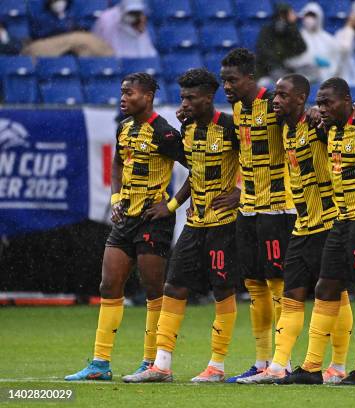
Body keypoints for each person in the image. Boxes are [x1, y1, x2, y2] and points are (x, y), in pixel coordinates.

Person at [120, 68, 241, 383]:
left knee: (222, 289)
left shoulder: (229, 127)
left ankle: (217, 365)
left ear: (208, 98)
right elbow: (194, 174)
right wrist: (173, 204)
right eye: (182, 97)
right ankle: (161, 365)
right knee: (173, 287)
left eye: (191, 97)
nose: (184, 103)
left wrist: (240, 193)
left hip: (224, 224)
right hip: (194, 221)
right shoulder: (185, 130)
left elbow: (253, 161)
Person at [65, 73, 185, 381]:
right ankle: (100, 363)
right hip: (125, 218)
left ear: (147, 97)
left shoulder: (165, 133)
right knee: (109, 285)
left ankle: (151, 361)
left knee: (153, 290)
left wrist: (170, 205)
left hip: (152, 220)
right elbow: (118, 163)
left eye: (128, 93)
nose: (122, 98)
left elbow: (201, 169)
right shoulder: (125, 128)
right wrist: (116, 196)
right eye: (121, 92)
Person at [237, 74, 352, 384]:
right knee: (292, 294)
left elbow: (348, 126)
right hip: (302, 225)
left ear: (301, 99)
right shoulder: (286, 129)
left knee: (333, 293)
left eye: (283, 95)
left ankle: (338, 366)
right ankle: (278, 366)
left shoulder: (318, 126)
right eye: (275, 94)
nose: (276, 100)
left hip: (328, 223)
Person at [281, 77, 355, 386]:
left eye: (328, 102)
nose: (322, 108)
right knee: (326, 287)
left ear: (347, 102)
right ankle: (312, 367)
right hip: (341, 222)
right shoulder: (327, 130)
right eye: (320, 102)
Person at [219, 48, 296, 383]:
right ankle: (262, 360)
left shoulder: (276, 105)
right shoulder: (237, 108)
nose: (226, 86)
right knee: (253, 285)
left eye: (232, 80)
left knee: (278, 284)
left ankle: (284, 361)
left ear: (250, 77)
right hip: (248, 207)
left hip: (278, 207)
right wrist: (239, 189)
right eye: (223, 80)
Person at [23, 0, 113, 57]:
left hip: (80, 40)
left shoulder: (79, 4)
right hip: (47, 42)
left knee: (91, 44)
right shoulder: (34, 4)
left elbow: (82, 25)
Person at [284, 2, 339, 83]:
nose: (309, 19)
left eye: (313, 16)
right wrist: (310, 61)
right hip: (301, 82)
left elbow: (336, 62)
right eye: (307, 16)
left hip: (325, 82)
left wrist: (329, 66)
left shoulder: (328, 39)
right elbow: (288, 61)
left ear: (319, 18)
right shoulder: (296, 38)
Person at [255, 3, 307, 85]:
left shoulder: (291, 30)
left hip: (289, 66)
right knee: (284, 81)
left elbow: (302, 48)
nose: (281, 20)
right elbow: (264, 52)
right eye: (280, 16)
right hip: (269, 69)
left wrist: (292, 26)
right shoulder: (267, 30)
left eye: (284, 16)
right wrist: (279, 59)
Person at [92, 0, 157, 58]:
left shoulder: (140, 22)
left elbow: (150, 58)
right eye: (133, 13)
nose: (135, 16)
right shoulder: (106, 20)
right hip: (114, 65)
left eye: (138, 13)